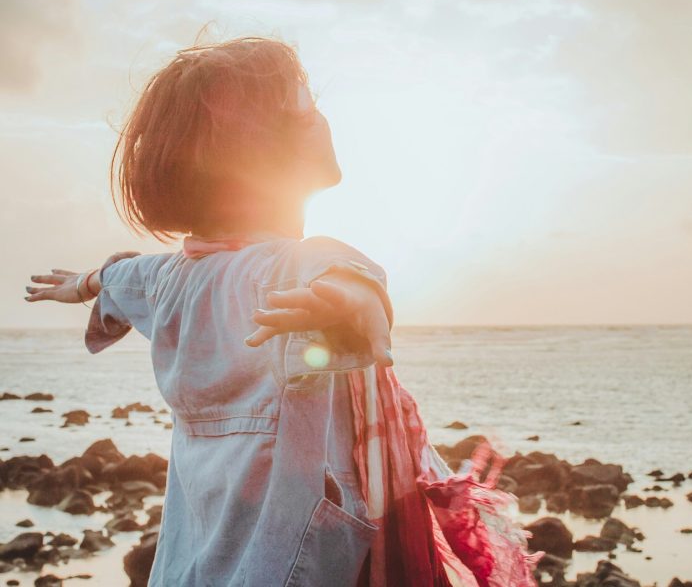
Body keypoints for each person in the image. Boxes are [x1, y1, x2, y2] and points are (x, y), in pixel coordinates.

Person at [26, 37, 537, 586]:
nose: (322, 120)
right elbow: (353, 285)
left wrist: (82, 283)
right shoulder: (301, 265)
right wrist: (346, 310)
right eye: (307, 109)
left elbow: (120, 277)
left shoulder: (168, 277)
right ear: (258, 149)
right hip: (298, 562)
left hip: (194, 562)